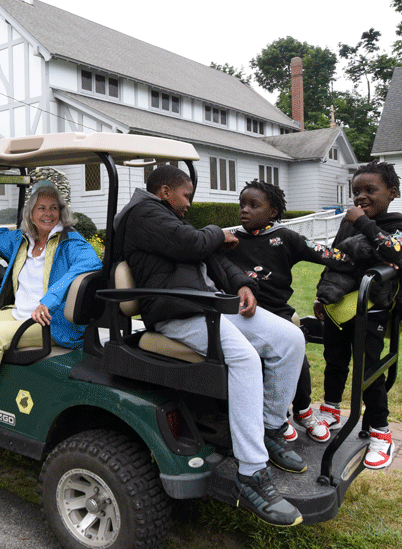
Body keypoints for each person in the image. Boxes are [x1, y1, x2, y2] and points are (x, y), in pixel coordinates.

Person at [114, 165, 306, 527]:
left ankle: (268, 426)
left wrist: (241, 285)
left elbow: (211, 257)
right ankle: (250, 472)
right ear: (167, 190)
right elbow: (196, 244)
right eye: (187, 195)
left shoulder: (167, 215)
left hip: (211, 303)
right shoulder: (143, 213)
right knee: (245, 359)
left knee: (291, 339)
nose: (190, 203)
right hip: (178, 311)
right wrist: (217, 232)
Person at [0, 180, 102, 436]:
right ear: (31, 213)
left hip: (51, 321)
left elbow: (90, 263)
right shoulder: (22, 239)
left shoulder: (71, 242)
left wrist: (49, 300)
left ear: (61, 212)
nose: (48, 213)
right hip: (19, 313)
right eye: (41, 208)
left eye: (53, 208)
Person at [313, 160, 402, 469]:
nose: (361, 197)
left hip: (371, 310)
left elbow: (393, 250)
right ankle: (331, 410)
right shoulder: (351, 222)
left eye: (370, 190)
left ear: (392, 193)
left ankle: (380, 433)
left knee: (368, 372)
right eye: (356, 191)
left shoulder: (398, 224)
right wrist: (321, 295)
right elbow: (335, 259)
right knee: (334, 361)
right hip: (338, 307)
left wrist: (362, 223)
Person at [231, 179, 354, 443]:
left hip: (278, 313)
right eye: (242, 204)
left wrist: (365, 261)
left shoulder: (285, 238)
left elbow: (327, 255)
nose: (245, 210)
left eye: (254, 205)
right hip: (245, 317)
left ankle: (302, 411)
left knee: (297, 360)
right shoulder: (230, 241)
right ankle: (277, 416)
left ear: (273, 211)